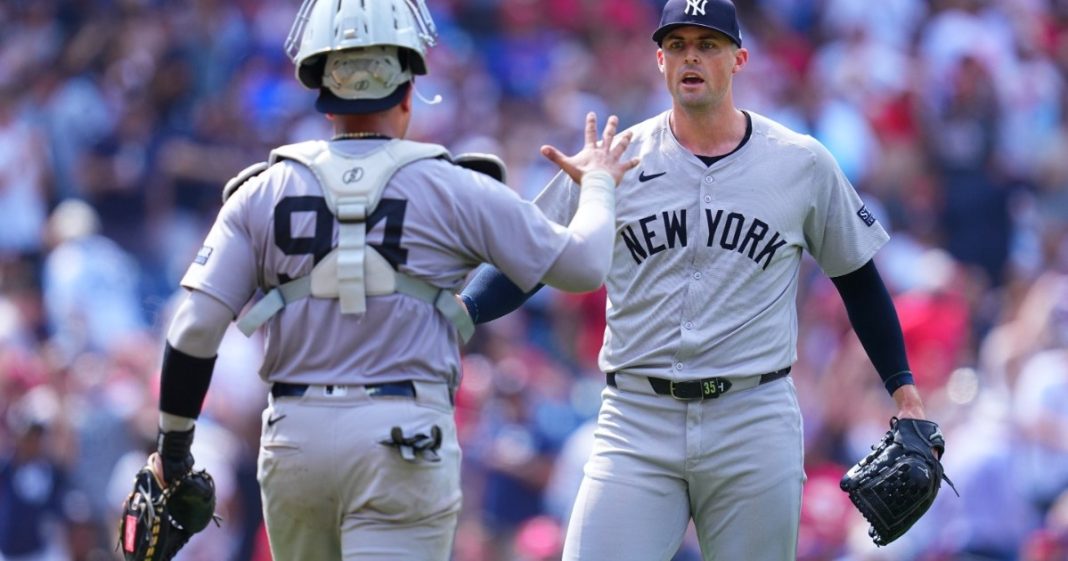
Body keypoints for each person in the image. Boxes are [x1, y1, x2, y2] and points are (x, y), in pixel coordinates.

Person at [141, 0, 639, 560]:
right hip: (401, 437)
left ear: (321, 91)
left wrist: (174, 451)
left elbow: (193, 331)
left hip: (294, 439)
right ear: (409, 90)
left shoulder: (262, 189)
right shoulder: (455, 185)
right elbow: (583, 266)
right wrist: (597, 183)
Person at [460, 0, 938, 559]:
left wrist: (903, 389)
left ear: (738, 59)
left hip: (752, 419)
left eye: (708, 45)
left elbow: (858, 280)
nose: (692, 57)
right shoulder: (615, 161)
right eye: (679, 45)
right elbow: (529, 256)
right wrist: (460, 312)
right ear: (659, 60)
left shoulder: (801, 163)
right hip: (636, 420)